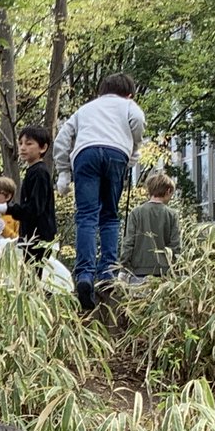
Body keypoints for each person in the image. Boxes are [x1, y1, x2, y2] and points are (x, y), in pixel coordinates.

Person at [54, 72, 145, 311]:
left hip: (85, 154)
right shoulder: (128, 105)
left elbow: (62, 138)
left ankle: (84, 274)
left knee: (86, 215)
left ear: (101, 92)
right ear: (129, 94)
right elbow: (138, 121)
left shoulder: (85, 109)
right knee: (110, 216)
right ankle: (108, 272)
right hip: (116, 155)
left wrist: (64, 171)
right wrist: (134, 151)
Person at [0, 125, 56, 262]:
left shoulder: (40, 173)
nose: (23, 147)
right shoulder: (32, 171)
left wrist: (6, 208)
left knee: (34, 276)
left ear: (43, 148)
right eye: (20, 143)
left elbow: (35, 208)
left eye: (29, 143)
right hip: (30, 236)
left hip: (39, 238)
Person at [120, 172, 180, 279]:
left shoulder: (136, 213)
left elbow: (128, 242)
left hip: (138, 271)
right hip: (164, 272)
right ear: (168, 191)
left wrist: (123, 267)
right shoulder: (172, 215)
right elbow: (175, 246)